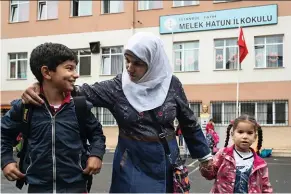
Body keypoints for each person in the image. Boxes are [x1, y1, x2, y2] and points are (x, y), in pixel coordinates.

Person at [21, 32, 212, 193]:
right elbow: (79, 91)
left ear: (152, 62)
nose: (130, 68)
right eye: (127, 61)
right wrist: (41, 85)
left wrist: (204, 157)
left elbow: (188, 122)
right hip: (131, 160)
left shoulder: (171, 84)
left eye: (137, 63)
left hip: (165, 157)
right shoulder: (118, 87)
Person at [1, 43, 106, 193]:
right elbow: (3, 133)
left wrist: (96, 155)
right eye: (69, 68)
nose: (76, 74)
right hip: (38, 187)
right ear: (47, 72)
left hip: (76, 186)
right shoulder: (24, 107)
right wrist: (6, 161)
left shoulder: (80, 107)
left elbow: (97, 134)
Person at [199, 114, 273, 193]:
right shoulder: (223, 155)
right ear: (232, 134)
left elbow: (266, 187)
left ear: (255, 137)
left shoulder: (260, 164)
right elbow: (209, 175)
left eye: (249, 133)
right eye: (240, 132)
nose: (245, 136)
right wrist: (205, 162)